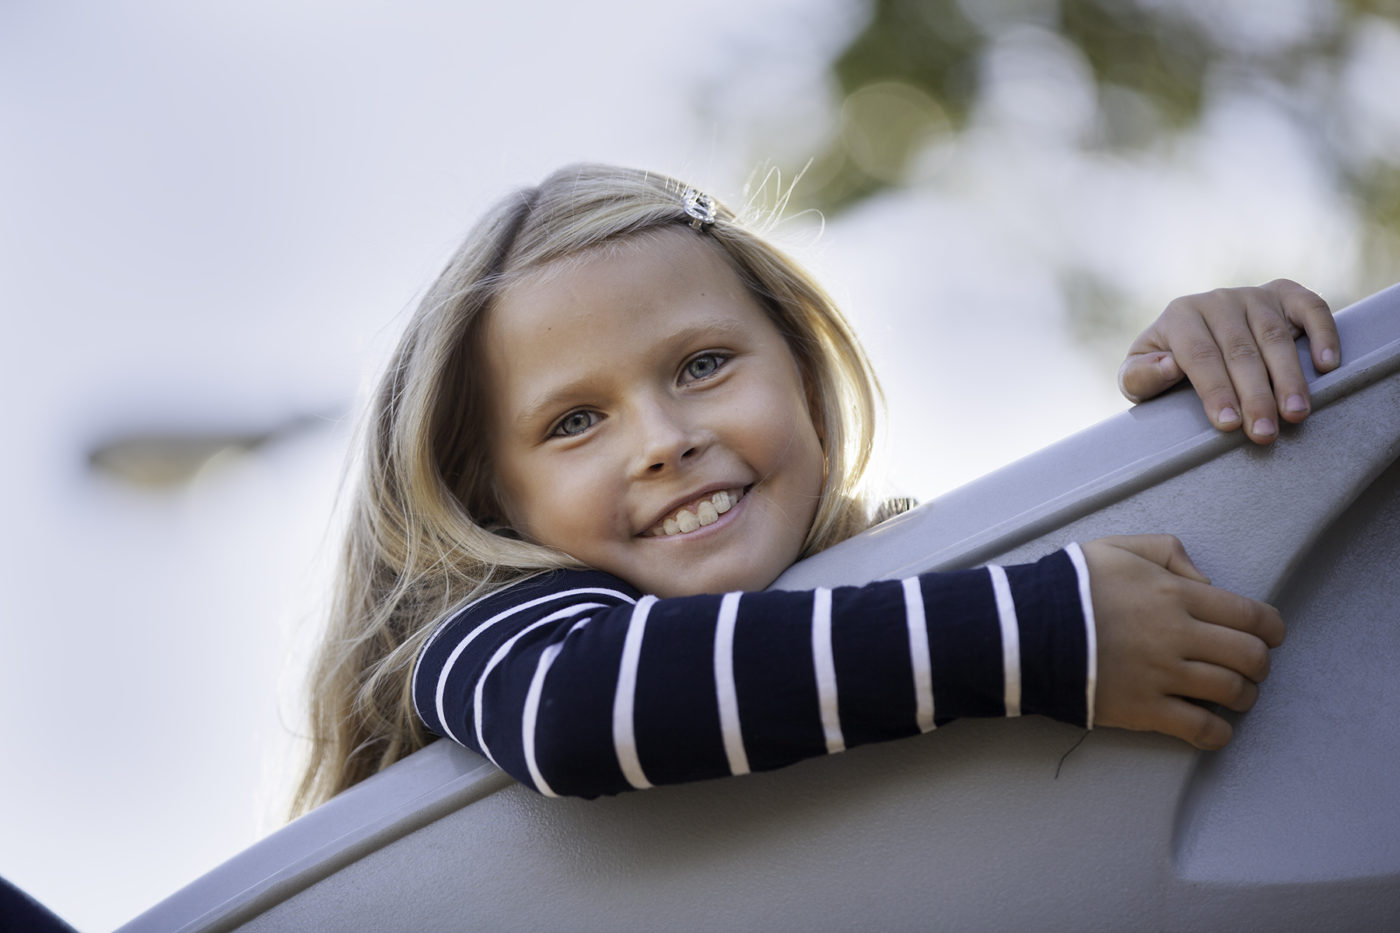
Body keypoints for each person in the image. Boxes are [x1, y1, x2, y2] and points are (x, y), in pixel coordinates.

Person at [292, 164, 1340, 809]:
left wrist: (1210, 381)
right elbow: (583, 710)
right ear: (492, 502)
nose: (662, 441)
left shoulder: (901, 583)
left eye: (701, 364)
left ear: (800, 369)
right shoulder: (486, 648)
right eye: (574, 422)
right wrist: (1043, 630)